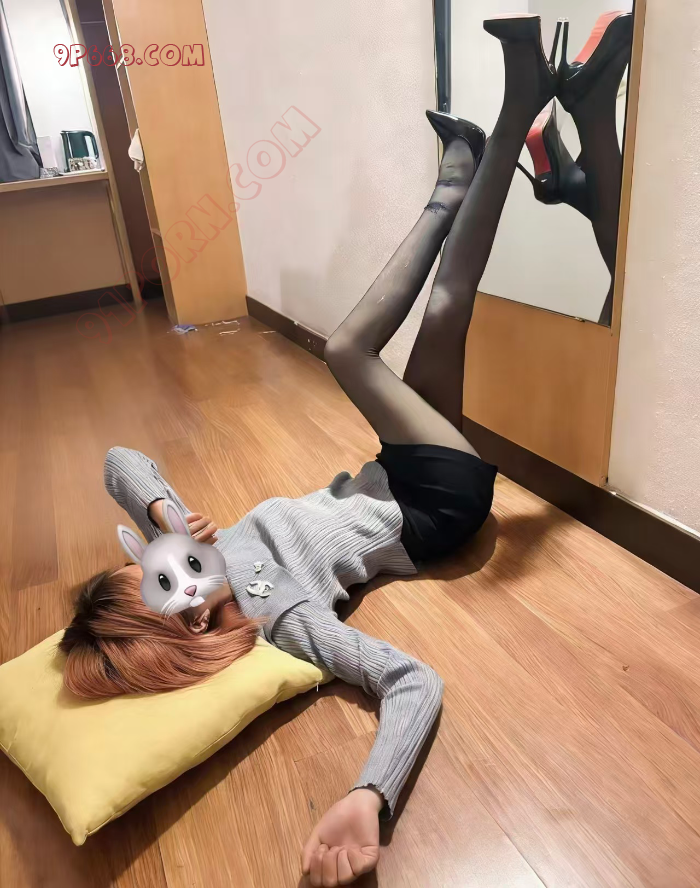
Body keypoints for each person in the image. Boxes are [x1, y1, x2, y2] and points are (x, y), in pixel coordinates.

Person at [60, 14, 557, 886]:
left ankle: (501, 127)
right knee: (348, 351)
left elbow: (118, 461)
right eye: (179, 600)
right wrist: (371, 794)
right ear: (193, 634)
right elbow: (412, 681)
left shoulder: (191, 554)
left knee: (448, 306)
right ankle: (464, 168)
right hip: (433, 507)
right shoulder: (281, 619)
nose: (180, 576)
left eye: (159, 574)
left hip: (393, 471)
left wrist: (165, 515)